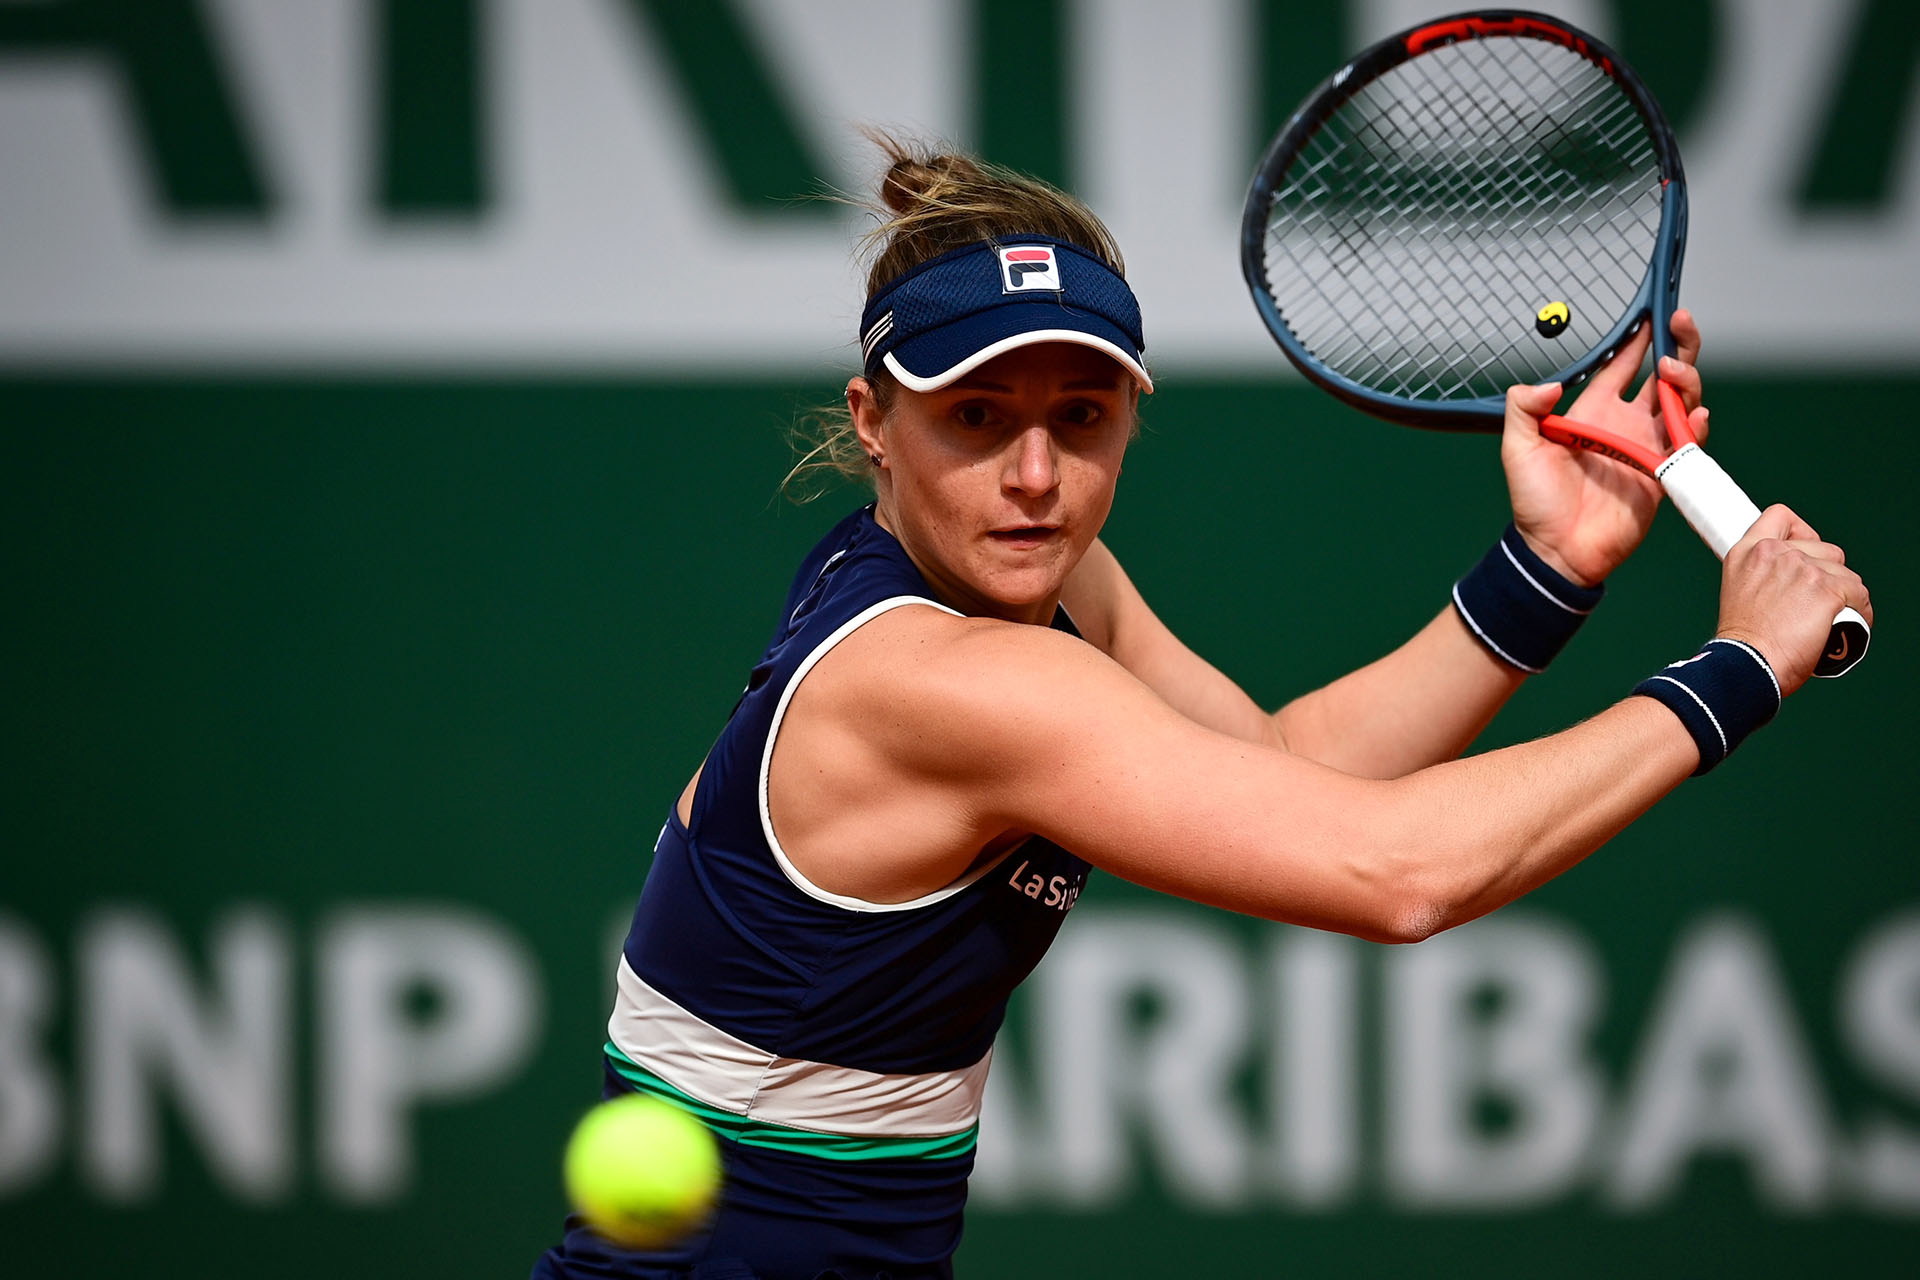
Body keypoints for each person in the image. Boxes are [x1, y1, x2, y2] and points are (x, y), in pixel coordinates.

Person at [531, 138, 1871, 1280]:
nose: (1038, 474)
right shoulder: (947, 682)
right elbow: (1400, 873)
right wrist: (1739, 667)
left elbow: (1283, 763)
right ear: (874, 420)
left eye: (1084, 412)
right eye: (976, 416)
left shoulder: (1006, 579)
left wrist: (1552, 567)